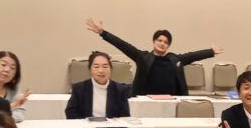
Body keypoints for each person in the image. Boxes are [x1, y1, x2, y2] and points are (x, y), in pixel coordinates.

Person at [85, 18, 222, 96]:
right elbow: (123, 45)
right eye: (159, 40)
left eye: (166, 42)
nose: (162, 44)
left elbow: (193, 55)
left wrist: (211, 51)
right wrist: (103, 33)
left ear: (168, 46)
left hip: (171, 101)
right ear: (154, 42)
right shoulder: (143, 57)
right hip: (146, 100)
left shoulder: (175, 59)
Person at [64, 51, 132, 119]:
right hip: (86, 125)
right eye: (96, 67)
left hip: (112, 125)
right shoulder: (79, 88)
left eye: (105, 67)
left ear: (111, 69)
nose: (101, 71)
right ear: (90, 69)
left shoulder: (120, 90)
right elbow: (70, 112)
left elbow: (125, 116)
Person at [0, 50, 30, 123]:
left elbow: (19, 115)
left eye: (12, 68)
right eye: (3, 65)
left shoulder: (14, 90)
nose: (7, 70)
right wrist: (9, 108)